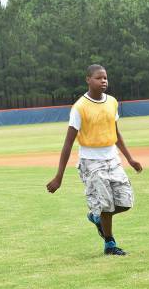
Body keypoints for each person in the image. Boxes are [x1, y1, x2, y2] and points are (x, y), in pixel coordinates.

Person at [46, 64, 143, 255]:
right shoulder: (79, 107)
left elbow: (116, 132)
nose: (104, 81)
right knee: (106, 204)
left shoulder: (112, 102)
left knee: (125, 202)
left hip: (112, 159)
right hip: (91, 161)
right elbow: (68, 143)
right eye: (99, 78)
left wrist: (130, 159)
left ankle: (96, 216)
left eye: (105, 78)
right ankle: (110, 244)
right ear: (88, 80)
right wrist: (59, 176)